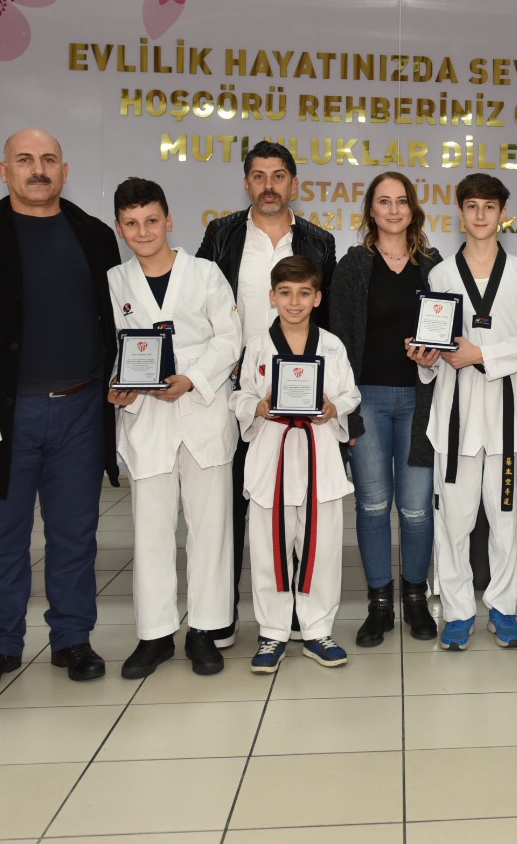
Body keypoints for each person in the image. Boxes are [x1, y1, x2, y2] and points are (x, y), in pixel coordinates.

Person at [0, 129, 121, 691]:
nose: (38, 169)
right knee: (0, 536)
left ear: (65, 171)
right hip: (5, 413)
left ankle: (73, 638)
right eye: (24, 160)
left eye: (48, 160)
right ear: (4, 171)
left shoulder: (94, 236)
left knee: (75, 534)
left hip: (81, 408)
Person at [196, 140, 337, 647]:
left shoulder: (319, 241)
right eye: (259, 176)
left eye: (278, 176)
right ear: (246, 183)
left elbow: (329, 319)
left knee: (295, 503)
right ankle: (224, 614)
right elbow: (200, 307)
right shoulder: (222, 234)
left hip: (302, 398)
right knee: (236, 502)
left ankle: (295, 611)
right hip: (240, 390)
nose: (269, 186)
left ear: (293, 183)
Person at [106, 177, 241, 678]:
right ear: (119, 228)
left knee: (210, 527)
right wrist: (116, 382)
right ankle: (155, 634)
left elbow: (229, 339)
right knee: (151, 530)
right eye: (132, 223)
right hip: (147, 418)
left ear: (169, 220)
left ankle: (205, 629)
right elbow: (111, 347)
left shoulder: (205, 274)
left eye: (151, 220)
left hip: (202, 410)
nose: (143, 231)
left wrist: (192, 379)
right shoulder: (114, 281)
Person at [409, 173, 517, 649]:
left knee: (505, 517)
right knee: (454, 521)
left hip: (505, 415)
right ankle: (458, 611)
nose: (481, 215)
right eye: (472, 206)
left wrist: (481, 355)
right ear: (460, 213)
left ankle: (503, 608)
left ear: (503, 214)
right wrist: (425, 358)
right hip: (455, 416)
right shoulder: (442, 275)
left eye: (490, 207)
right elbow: (434, 349)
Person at [232, 255, 361, 672]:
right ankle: (272, 633)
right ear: (272, 296)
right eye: (285, 293)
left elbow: (351, 393)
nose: (294, 302)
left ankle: (317, 630)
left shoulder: (332, 346)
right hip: (273, 456)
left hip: (318, 454)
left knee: (321, 549)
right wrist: (258, 406)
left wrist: (333, 408)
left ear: (317, 298)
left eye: (304, 293)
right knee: (268, 549)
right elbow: (239, 395)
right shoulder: (258, 346)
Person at [329, 172, 442, 646]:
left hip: (420, 400)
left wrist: (435, 356)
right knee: (373, 506)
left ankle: (415, 598)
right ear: (370, 211)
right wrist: (348, 413)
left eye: (401, 201)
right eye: (384, 202)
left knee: (415, 509)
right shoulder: (353, 266)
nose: (394, 210)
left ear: (413, 209)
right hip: (368, 400)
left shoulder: (434, 266)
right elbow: (337, 342)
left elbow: (449, 333)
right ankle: (379, 604)